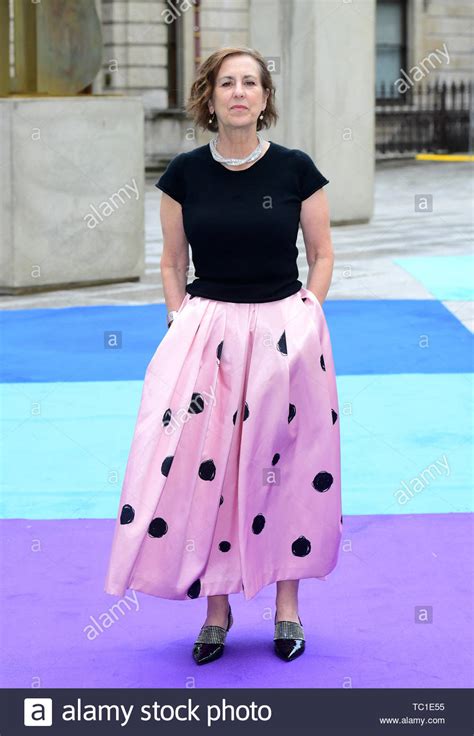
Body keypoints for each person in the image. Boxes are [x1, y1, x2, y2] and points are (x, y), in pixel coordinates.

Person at [104, 46, 342, 666]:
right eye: (227, 83)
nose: (239, 92)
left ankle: (286, 608)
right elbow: (170, 260)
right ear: (210, 99)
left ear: (265, 99)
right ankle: (217, 607)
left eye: (251, 83)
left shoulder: (296, 170)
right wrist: (177, 317)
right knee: (204, 470)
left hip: (285, 336)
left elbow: (321, 255)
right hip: (206, 333)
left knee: (285, 466)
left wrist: (307, 315)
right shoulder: (184, 173)